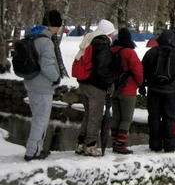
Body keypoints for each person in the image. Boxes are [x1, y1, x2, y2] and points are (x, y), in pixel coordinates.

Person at [23, 10, 64, 161]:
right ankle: (33, 152)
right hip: (43, 86)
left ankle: (35, 148)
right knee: (41, 120)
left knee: (37, 118)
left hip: (31, 83)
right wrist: (56, 78)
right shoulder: (45, 42)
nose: (59, 29)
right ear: (54, 25)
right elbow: (47, 66)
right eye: (58, 26)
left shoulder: (32, 36)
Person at [141, 29, 175, 153]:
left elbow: (142, 70)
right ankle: (169, 144)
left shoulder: (151, 53)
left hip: (153, 90)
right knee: (169, 118)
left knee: (154, 117)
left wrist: (141, 86)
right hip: (170, 92)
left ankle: (155, 144)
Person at [74, 19, 117, 157]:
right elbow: (102, 68)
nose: (113, 36)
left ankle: (80, 143)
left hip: (84, 83)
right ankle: (90, 145)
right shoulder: (102, 44)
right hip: (96, 85)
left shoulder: (89, 40)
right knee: (95, 116)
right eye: (111, 33)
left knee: (88, 114)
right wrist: (110, 81)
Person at [110, 28, 143, 154]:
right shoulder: (129, 52)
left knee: (116, 117)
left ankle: (114, 141)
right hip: (128, 89)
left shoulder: (112, 50)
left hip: (113, 88)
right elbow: (137, 70)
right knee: (126, 118)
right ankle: (120, 143)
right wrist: (140, 83)